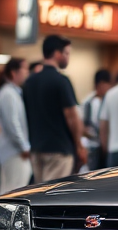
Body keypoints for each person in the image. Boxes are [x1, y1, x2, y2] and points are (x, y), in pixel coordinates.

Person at [22, 35, 86, 182]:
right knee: (54, 196)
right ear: (57, 54)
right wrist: (79, 145)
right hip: (59, 149)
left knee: (40, 193)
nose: (68, 58)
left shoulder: (30, 81)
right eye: (67, 53)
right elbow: (71, 115)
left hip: (36, 148)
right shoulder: (61, 81)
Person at [0, 57, 31, 194]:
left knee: (14, 190)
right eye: (24, 69)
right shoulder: (8, 94)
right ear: (14, 72)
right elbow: (12, 124)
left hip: (15, 150)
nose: (27, 72)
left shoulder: (13, 92)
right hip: (13, 151)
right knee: (12, 192)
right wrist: (24, 147)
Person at [80, 69, 112, 171]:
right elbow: (83, 127)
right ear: (102, 84)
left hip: (100, 146)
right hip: (94, 147)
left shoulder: (89, 101)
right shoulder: (89, 103)